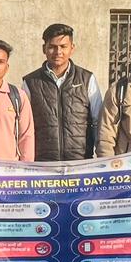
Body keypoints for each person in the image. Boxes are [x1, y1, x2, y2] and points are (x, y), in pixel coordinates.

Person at [23, 23, 102, 161]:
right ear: (44, 49)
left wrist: (100, 157)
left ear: (72, 48)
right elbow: (25, 126)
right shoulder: (30, 82)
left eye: (63, 46)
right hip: (44, 163)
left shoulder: (87, 79)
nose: (58, 52)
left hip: (80, 162)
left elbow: (98, 120)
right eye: (52, 47)